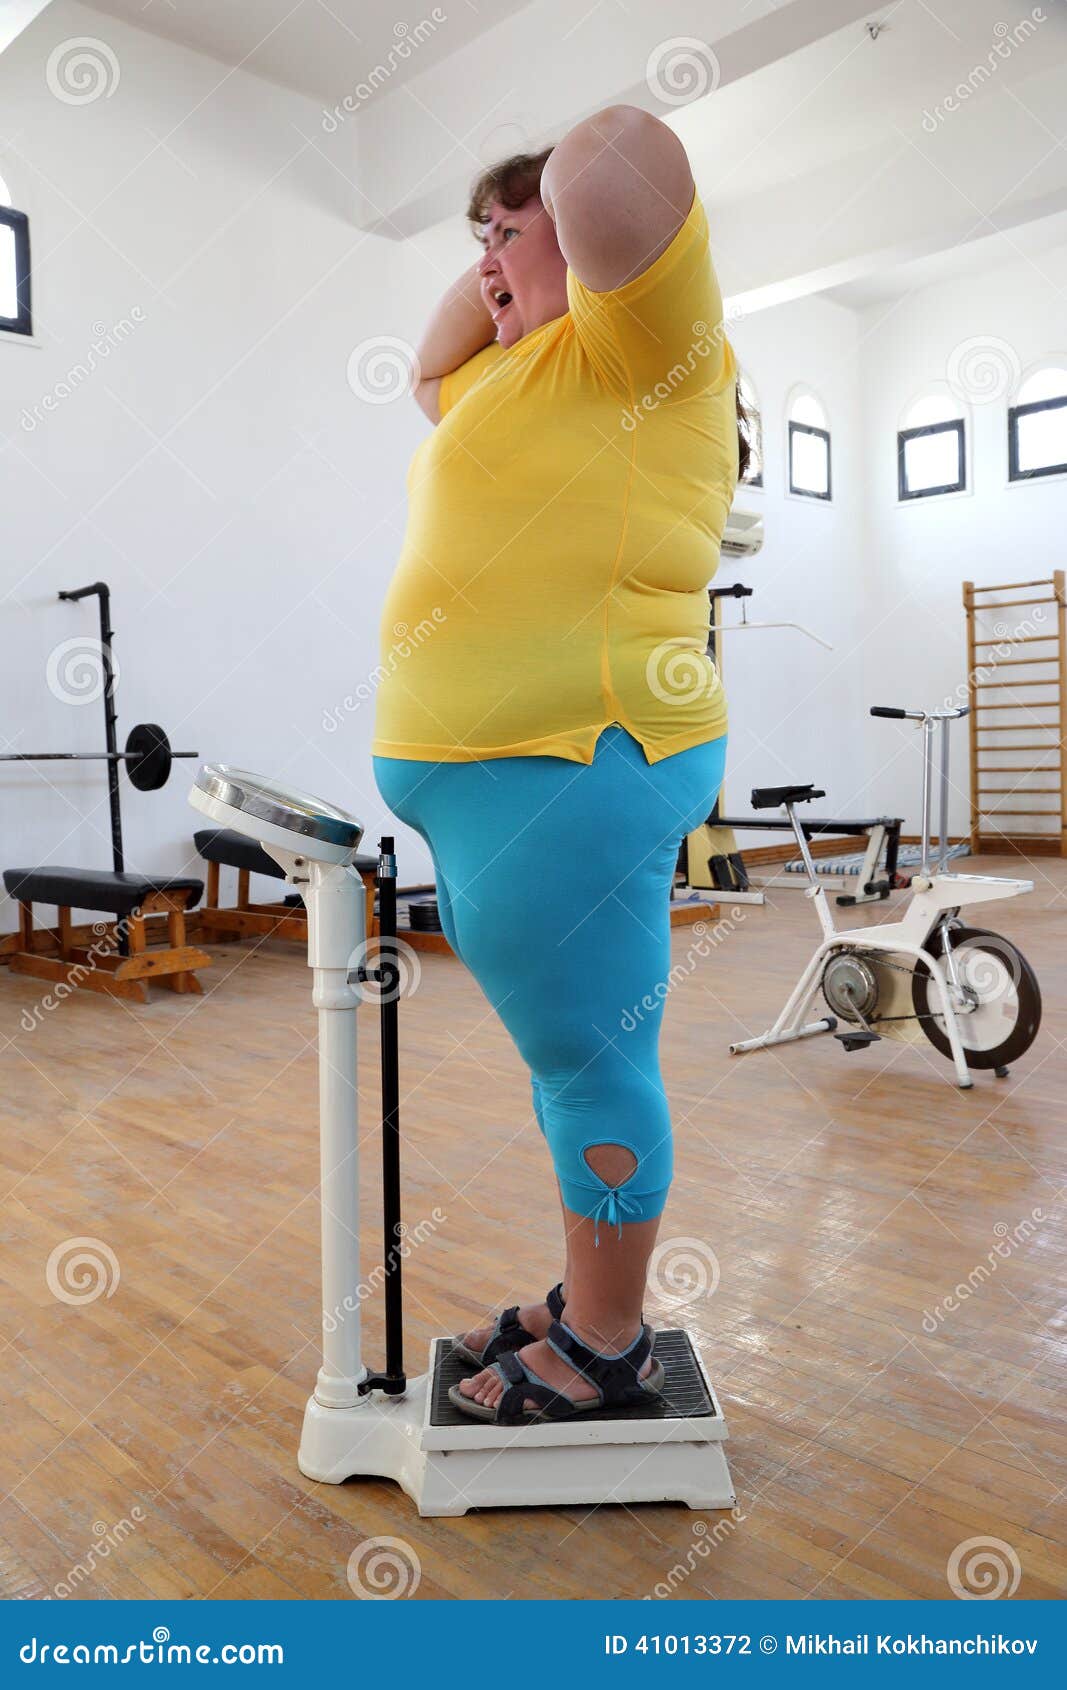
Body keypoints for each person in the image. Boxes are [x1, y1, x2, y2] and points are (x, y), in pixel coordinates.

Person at [371, 104, 744, 1424]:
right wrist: (499, 248)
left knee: (592, 1058)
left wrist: (546, 214)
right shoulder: (495, 383)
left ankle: (606, 1345)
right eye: (472, 239)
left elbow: (611, 160)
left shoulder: (640, 347)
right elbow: (427, 366)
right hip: (492, 785)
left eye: (507, 230)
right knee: (564, 1058)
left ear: (581, 251)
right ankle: (588, 1287)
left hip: (581, 756)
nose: (483, 259)